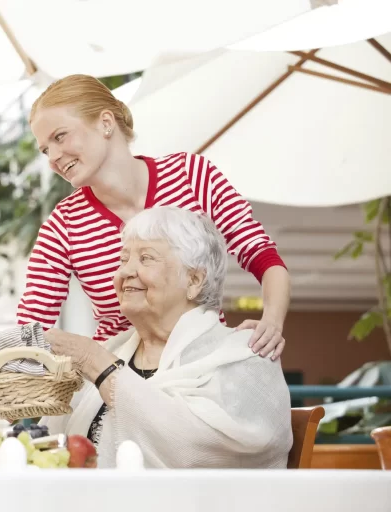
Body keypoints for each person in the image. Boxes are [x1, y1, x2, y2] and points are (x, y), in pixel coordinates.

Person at [0, 207, 292, 469]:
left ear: (195, 281)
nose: (126, 271)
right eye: (123, 259)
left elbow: (195, 449)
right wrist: (12, 403)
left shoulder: (244, 356)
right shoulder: (116, 349)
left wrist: (97, 363)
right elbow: (57, 439)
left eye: (146, 258)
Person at [17, 74, 290, 361]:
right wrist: (10, 370)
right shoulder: (63, 225)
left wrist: (271, 322)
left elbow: (262, 254)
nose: (53, 157)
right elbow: (31, 324)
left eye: (60, 136)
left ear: (106, 123)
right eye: (45, 149)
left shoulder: (191, 175)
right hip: (119, 381)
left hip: (203, 367)